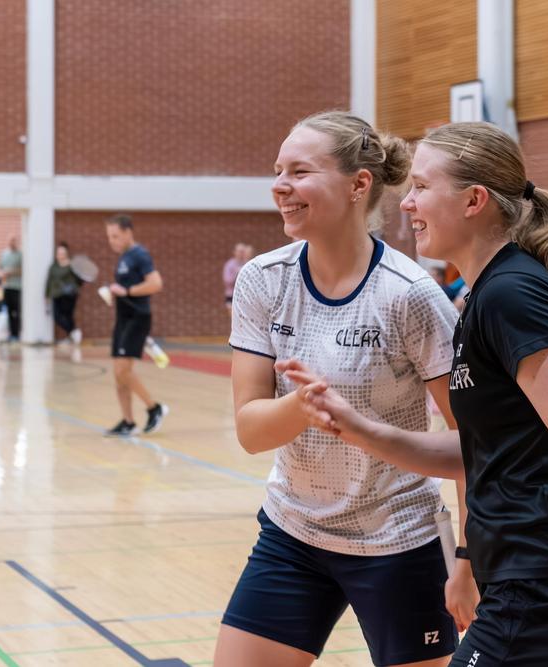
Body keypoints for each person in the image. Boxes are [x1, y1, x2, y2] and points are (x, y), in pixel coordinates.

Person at [283, 121, 548, 667]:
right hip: (516, 579)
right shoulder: (484, 296)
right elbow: (480, 450)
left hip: (541, 584)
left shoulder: (513, 294)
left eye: (421, 187)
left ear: (474, 200)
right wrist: (358, 428)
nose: (406, 203)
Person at [215, 112, 466, 667]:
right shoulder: (264, 280)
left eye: (300, 172)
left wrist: (469, 561)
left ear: (359, 184)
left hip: (398, 540)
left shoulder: (410, 295)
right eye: (278, 171)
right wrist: (303, 406)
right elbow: (251, 431)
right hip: (293, 533)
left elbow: (473, 444)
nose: (281, 186)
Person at [104, 214, 168, 436]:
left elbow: (155, 283)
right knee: (118, 373)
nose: (112, 241)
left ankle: (154, 408)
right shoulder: (124, 257)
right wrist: (115, 292)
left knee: (123, 370)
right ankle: (128, 421)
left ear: (128, 232)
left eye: (115, 236)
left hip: (137, 318)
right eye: (109, 237)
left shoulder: (139, 254)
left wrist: (127, 291)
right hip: (123, 319)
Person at [46, 242, 83, 344]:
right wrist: (47, 295)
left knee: (68, 316)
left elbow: (79, 280)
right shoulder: (53, 266)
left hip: (69, 295)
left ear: (66, 254)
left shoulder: (71, 265)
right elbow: (49, 281)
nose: (60, 255)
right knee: (57, 316)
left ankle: (70, 336)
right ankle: (73, 332)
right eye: (58, 253)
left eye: (62, 253)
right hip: (56, 294)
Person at [0, 235, 22, 341]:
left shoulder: (20, 255)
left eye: (14, 240)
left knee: (16, 311)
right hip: (7, 287)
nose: (12, 242)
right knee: (9, 311)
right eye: (10, 240)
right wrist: (1, 274)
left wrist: (10, 272)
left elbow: (22, 270)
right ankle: (11, 333)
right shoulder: (4, 254)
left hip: (17, 287)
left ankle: (16, 334)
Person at [222, 243, 248, 314]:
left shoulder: (248, 264)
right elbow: (227, 281)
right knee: (233, 316)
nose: (241, 253)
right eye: (240, 251)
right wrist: (236, 273)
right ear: (234, 252)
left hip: (245, 296)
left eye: (243, 251)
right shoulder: (229, 264)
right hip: (232, 295)